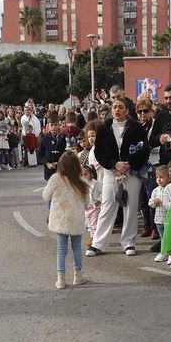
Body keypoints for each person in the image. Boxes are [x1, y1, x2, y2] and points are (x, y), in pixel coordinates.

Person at [88, 96, 149, 257]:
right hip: (111, 172)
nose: (117, 110)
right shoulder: (104, 128)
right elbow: (99, 152)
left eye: (121, 107)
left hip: (131, 172)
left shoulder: (136, 128)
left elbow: (144, 150)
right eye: (115, 107)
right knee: (108, 206)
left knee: (130, 208)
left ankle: (128, 242)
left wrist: (128, 164)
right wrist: (115, 164)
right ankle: (98, 243)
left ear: (127, 110)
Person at [42, 150, 90, 289]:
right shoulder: (81, 180)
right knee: (77, 248)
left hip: (60, 219)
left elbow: (46, 195)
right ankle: (78, 275)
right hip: (75, 219)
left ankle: (61, 279)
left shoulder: (56, 178)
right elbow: (87, 202)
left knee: (61, 249)